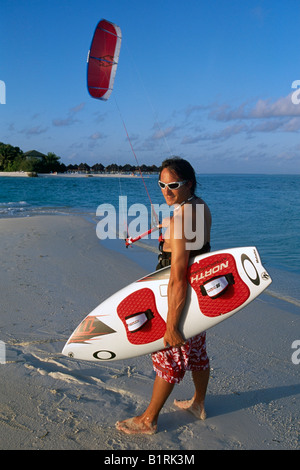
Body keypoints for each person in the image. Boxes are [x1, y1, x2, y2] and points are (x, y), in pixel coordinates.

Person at [116, 157, 212, 435]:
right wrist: (172, 227)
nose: (166, 191)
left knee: (168, 354)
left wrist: (171, 324)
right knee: (196, 352)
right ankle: (198, 404)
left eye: (174, 185)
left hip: (180, 298)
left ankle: (148, 420)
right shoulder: (198, 206)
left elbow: (178, 275)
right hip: (202, 294)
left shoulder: (182, 219)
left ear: (188, 183)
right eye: (161, 185)